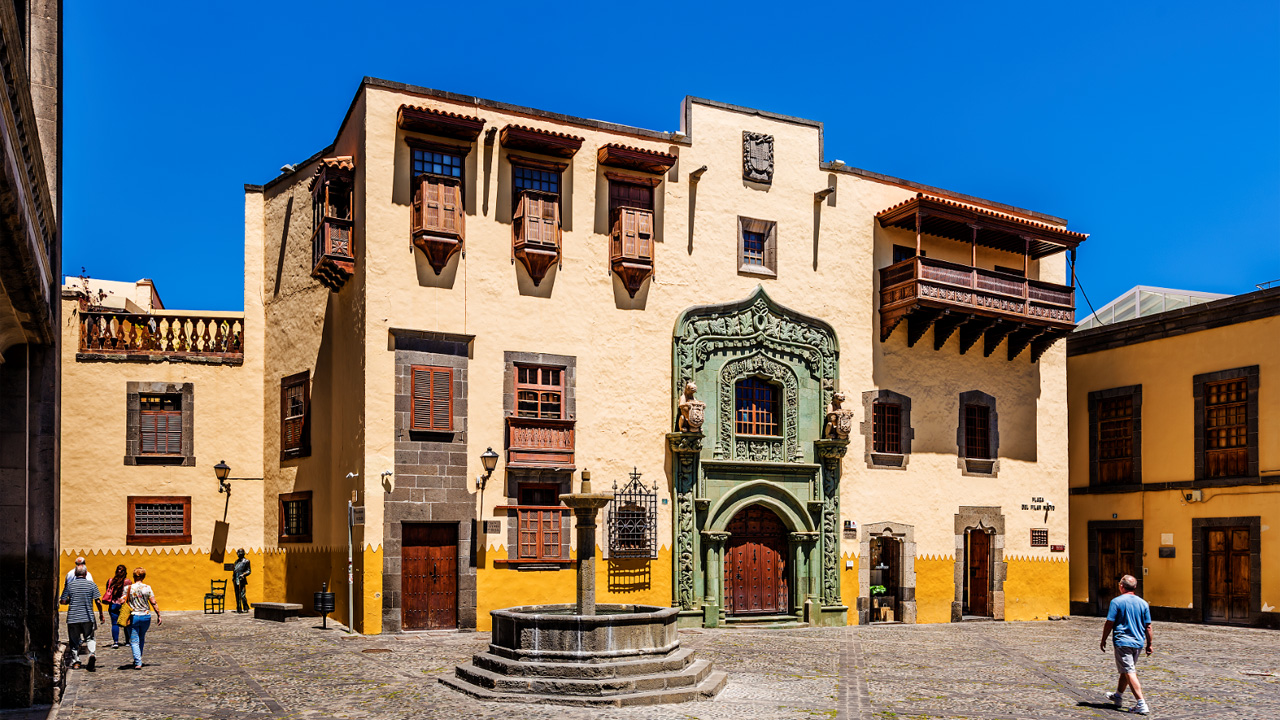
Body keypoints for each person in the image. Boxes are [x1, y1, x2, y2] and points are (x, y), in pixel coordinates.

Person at [1100, 574, 1153, 715]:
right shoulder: (1143, 603)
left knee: (1129, 671)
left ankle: (1141, 703)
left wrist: (1103, 638)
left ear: (1121, 586)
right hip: (1138, 642)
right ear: (1135, 587)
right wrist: (1149, 644)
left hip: (1123, 641)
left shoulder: (1116, 602)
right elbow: (1148, 626)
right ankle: (1117, 696)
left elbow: (1110, 622)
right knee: (1126, 670)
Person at [59, 566, 102, 670]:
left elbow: (63, 601)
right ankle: (91, 654)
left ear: (75, 574)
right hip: (88, 616)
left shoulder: (70, 585)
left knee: (74, 640)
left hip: (73, 617)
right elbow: (98, 601)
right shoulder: (92, 585)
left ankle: (76, 662)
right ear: (86, 573)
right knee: (90, 637)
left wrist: (71, 600)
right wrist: (101, 614)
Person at [124, 567, 161, 669]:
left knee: (134, 640)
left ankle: (138, 661)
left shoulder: (128, 588)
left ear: (133, 576)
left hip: (133, 616)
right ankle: (138, 658)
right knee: (141, 637)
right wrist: (158, 614)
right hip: (145, 616)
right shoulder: (147, 588)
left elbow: (122, 601)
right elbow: (153, 602)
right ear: (144, 576)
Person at [101, 564, 131, 649]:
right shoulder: (127, 582)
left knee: (115, 624)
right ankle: (127, 641)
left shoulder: (111, 581)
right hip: (123, 604)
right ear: (125, 572)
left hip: (113, 604)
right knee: (126, 623)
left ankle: (116, 642)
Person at [232, 549, 252, 613]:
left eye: (239, 553)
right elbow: (235, 570)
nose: (238, 554)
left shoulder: (246, 561)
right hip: (236, 579)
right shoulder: (236, 562)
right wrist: (233, 577)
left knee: (242, 595)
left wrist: (243, 574)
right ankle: (238, 607)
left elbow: (249, 571)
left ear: (243, 554)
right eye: (238, 553)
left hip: (242, 579)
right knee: (237, 594)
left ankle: (245, 607)